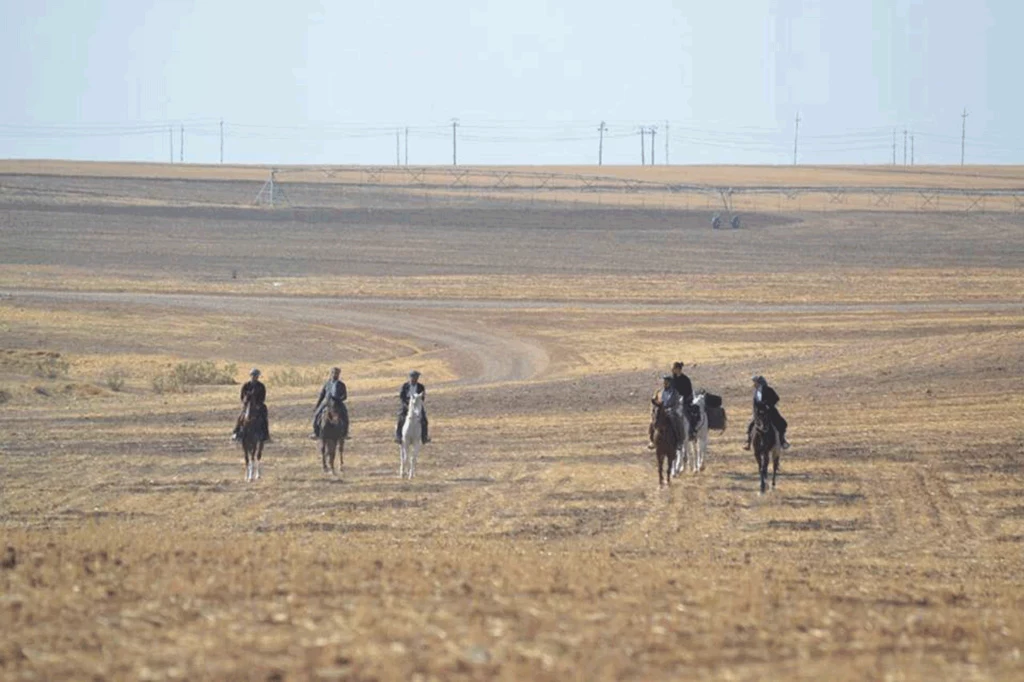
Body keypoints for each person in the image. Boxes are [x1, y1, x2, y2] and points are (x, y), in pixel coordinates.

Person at [744, 375, 789, 450]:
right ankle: (748, 442)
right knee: (750, 426)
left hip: (770, 412)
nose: (754, 384)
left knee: (783, 424)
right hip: (758, 414)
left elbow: (776, 398)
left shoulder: (769, 390)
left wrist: (768, 404)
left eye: (755, 382)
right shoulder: (756, 392)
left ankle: (782, 441)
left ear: (759, 383)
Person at [309, 367, 348, 439]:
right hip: (326, 402)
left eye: (336, 373)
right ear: (331, 373)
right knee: (316, 414)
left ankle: (345, 434)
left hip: (337, 402)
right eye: (333, 373)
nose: (334, 374)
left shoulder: (341, 385)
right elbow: (322, 395)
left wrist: (339, 399)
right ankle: (316, 432)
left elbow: (345, 396)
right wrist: (317, 405)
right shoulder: (327, 384)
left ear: (339, 374)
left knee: (345, 415)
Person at [232, 368, 270, 442]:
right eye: (253, 375)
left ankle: (266, 435)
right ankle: (236, 432)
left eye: (256, 375)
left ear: (258, 377)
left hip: (258, 405)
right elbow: (242, 396)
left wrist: (258, 404)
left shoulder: (261, 386)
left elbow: (263, 397)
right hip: (247, 404)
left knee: (264, 418)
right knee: (240, 417)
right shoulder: (246, 385)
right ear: (250, 376)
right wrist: (245, 402)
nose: (254, 377)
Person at [648, 374, 685, 449]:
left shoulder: (674, 392)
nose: (664, 383)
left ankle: (679, 441)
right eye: (664, 382)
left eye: (666, 382)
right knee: (653, 422)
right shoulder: (659, 391)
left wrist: (668, 409)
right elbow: (656, 401)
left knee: (675, 421)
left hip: (671, 411)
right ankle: (652, 440)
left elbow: (675, 403)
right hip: (661, 410)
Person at [396, 370, 430, 444]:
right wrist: (406, 405)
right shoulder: (405, 386)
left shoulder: (421, 387)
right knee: (400, 418)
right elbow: (402, 397)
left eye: (417, 377)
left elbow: (423, 398)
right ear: (411, 377)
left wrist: (418, 403)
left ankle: (424, 437)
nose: (415, 379)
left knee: (424, 420)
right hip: (407, 404)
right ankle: (398, 437)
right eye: (414, 377)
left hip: (417, 404)